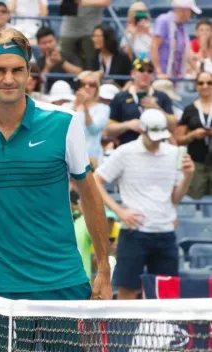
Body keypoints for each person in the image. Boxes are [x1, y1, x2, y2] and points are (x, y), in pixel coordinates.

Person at [0, 28, 112, 350]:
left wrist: (104, 268)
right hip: (1, 291)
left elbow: (91, 196)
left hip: (64, 284)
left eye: (17, 70)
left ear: (29, 73)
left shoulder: (64, 123)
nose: (8, 79)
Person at [94, 109, 195, 300]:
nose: (156, 141)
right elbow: (96, 179)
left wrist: (188, 176)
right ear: (142, 130)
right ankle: (124, 331)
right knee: (127, 292)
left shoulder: (174, 153)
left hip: (165, 231)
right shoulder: (125, 152)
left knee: (166, 294)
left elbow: (175, 198)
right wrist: (118, 211)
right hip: (134, 232)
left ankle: (166, 331)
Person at [106, 58, 175, 146]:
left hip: (155, 150)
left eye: (149, 71)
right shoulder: (120, 97)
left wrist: (158, 109)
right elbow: (108, 130)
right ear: (133, 74)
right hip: (128, 149)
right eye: (141, 70)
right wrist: (128, 125)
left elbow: (173, 127)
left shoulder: (162, 97)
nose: (145, 74)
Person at [175, 71, 212, 199]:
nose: (205, 86)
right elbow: (178, 139)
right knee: (194, 201)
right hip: (196, 163)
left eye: (209, 83)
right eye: (201, 83)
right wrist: (192, 135)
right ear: (196, 86)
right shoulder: (189, 109)